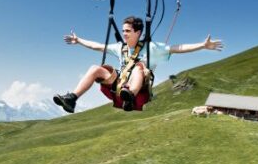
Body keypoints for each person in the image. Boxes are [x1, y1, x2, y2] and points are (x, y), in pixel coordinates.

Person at [53, 16, 223, 113]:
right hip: (119, 83)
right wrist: (79, 40)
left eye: (127, 30)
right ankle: (72, 99)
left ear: (138, 32)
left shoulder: (151, 48)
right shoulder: (120, 47)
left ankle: (130, 96)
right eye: (123, 30)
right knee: (95, 68)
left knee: (139, 67)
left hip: (138, 88)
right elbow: (97, 46)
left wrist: (202, 45)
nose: (124, 33)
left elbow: (176, 48)